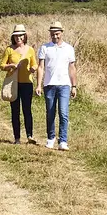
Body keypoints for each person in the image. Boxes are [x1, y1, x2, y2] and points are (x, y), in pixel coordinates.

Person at [37, 22, 79, 151]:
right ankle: (50, 138)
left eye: (57, 34)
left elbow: (72, 68)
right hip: (49, 84)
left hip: (64, 85)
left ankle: (63, 140)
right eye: (52, 34)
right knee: (50, 113)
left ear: (61, 33)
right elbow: (41, 67)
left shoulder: (69, 48)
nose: (55, 36)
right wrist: (38, 85)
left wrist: (74, 86)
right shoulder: (45, 48)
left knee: (63, 112)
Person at [0, 24, 38, 143]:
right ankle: (17, 138)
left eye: (20, 35)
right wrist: (10, 66)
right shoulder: (9, 49)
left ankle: (29, 135)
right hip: (13, 83)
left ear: (25, 36)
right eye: (16, 36)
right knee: (15, 110)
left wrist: (33, 68)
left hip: (27, 83)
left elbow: (34, 64)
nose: (18, 38)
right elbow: (2, 66)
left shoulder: (30, 49)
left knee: (27, 110)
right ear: (13, 37)